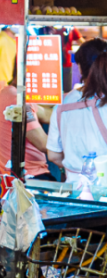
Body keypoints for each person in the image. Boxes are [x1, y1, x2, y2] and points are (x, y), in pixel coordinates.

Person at [48, 37, 107, 177]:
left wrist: (76, 170)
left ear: (80, 68)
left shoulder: (64, 103)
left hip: (76, 189)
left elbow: (53, 155)